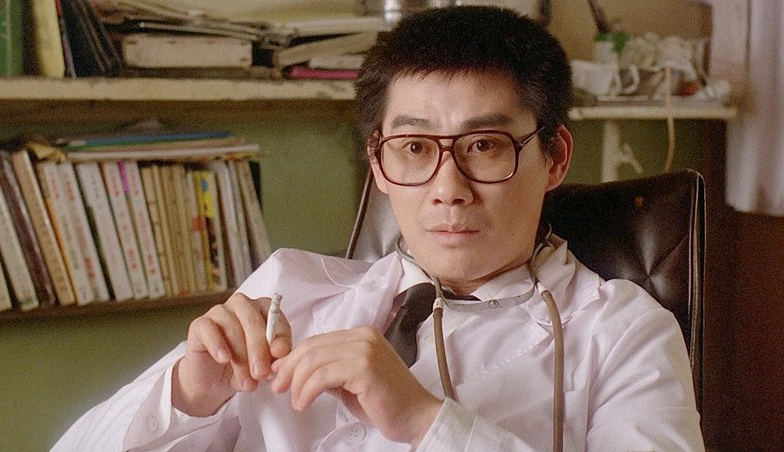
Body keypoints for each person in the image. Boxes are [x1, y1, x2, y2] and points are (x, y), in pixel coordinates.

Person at [53, 6, 704, 451]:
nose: (448, 188)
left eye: (484, 145)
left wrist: (426, 422)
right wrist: (188, 396)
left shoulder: (622, 331)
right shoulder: (286, 290)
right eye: (415, 149)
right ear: (379, 164)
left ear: (554, 157)